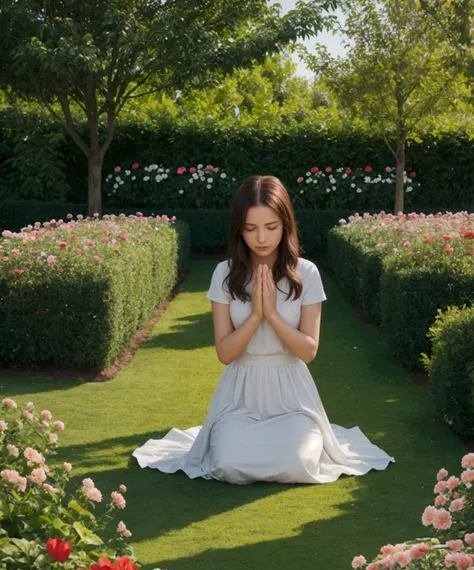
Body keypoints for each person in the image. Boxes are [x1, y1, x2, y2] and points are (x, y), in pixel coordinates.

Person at [133, 175, 395, 484]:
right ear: (238, 229)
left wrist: (272, 313)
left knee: (298, 464)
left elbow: (308, 351)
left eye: (270, 227)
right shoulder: (224, 274)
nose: (261, 238)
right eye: (250, 228)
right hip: (239, 396)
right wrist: (256, 315)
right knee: (229, 464)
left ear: (285, 224)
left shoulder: (306, 273)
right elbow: (225, 353)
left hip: (293, 398)